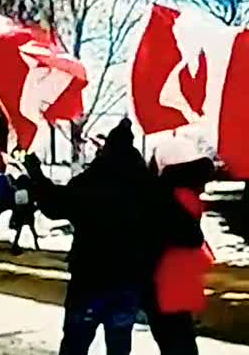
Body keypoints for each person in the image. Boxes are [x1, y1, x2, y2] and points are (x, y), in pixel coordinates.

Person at [24, 118, 152, 355]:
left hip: (89, 277)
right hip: (128, 279)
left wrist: (36, 175)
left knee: (76, 342)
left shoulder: (91, 180)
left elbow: (55, 206)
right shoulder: (147, 185)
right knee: (120, 343)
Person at [144, 136, 215, 355]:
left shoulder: (167, 196)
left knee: (175, 343)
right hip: (179, 280)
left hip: (166, 282)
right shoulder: (186, 193)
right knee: (180, 341)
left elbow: (184, 234)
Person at [10, 173, 40, 255]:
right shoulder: (28, 191)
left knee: (19, 230)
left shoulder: (17, 192)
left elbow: (15, 205)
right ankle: (36, 243)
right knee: (31, 228)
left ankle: (15, 244)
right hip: (28, 211)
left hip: (20, 212)